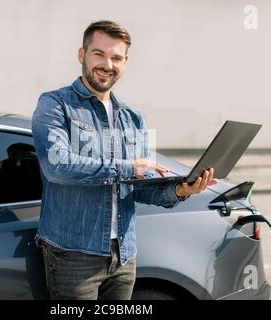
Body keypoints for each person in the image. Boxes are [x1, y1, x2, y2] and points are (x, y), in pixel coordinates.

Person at [32, 20, 218, 300]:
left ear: (125, 62)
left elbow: (138, 185)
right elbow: (57, 166)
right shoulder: (56, 104)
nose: (107, 64)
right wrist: (127, 166)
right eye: (99, 54)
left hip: (125, 256)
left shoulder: (133, 117)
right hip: (74, 256)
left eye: (116, 57)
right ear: (81, 55)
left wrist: (181, 190)